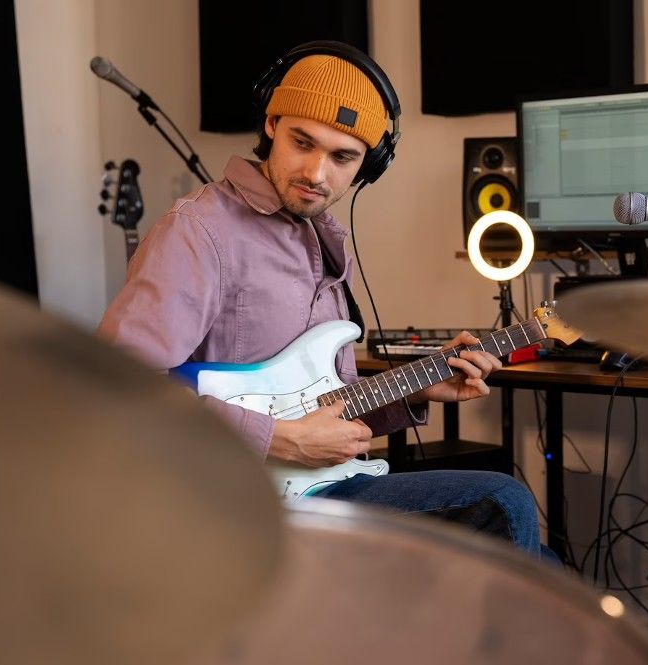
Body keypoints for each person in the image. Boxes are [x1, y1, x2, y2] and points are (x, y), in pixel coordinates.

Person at [98, 41, 555, 561]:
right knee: (503, 500)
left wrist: (421, 390)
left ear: (368, 165)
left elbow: (318, 400)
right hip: (232, 502)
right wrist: (274, 440)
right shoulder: (199, 231)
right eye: (302, 142)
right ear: (271, 123)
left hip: (312, 487)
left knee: (546, 563)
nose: (317, 173)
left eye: (343, 157)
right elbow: (113, 390)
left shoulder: (322, 238)